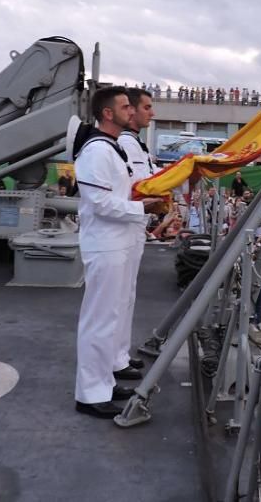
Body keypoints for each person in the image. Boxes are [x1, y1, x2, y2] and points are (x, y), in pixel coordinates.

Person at [72, 86, 158, 419]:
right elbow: (100, 204)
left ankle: (104, 381)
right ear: (108, 113)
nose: (131, 111)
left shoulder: (110, 148)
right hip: (105, 243)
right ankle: (90, 393)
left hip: (117, 241)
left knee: (111, 316)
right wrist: (142, 208)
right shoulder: (96, 151)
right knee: (99, 319)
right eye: (125, 107)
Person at [115, 87, 157, 380]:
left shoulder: (136, 146)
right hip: (124, 229)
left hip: (135, 228)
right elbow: (135, 189)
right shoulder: (124, 145)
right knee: (116, 300)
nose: (150, 113)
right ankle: (112, 362)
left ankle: (119, 356)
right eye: (146, 107)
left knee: (126, 297)